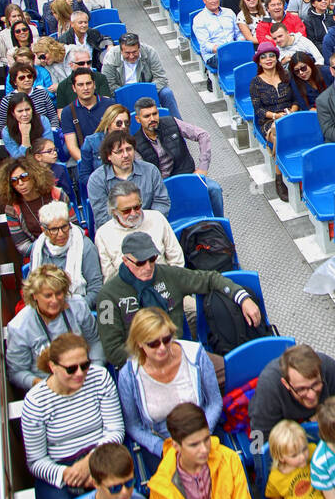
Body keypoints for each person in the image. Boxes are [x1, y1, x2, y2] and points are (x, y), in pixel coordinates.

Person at [97, 231, 262, 367]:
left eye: (152, 259)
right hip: (140, 364)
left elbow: (210, 279)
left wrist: (243, 298)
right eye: (140, 263)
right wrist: (152, 355)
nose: (148, 267)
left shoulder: (167, 274)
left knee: (232, 369)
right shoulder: (108, 296)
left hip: (179, 352)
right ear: (126, 261)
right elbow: (112, 350)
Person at [21, 331, 124, 499]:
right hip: (60, 468)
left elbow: (115, 430)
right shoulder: (36, 402)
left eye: (85, 365)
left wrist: (91, 461)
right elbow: (36, 460)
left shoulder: (99, 378)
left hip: (102, 454)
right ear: (53, 367)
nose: (80, 373)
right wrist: (66, 475)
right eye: (71, 369)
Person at [118, 309, 221, 468]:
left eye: (167, 340)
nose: (162, 348)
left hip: (201, 435)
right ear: (139, 343)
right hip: (162, 445)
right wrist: (162, 448)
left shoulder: (195, 355)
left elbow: (214, 402)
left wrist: (199, 439)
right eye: (153, 343)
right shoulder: (129, 375)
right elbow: (133, 425)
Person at [5, 264, 104, 391]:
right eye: (48, 295)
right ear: (34, 295)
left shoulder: (79, 305)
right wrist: (44, 385)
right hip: (48, 386)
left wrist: (92, 372)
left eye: (59, 293)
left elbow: (95, 341)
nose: (55, 300)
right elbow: (17, 372)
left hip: (84, 376)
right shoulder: (19, 327)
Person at [133, 98, 224, 218]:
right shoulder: (135, 144)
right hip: (163, 187)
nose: (152, 119)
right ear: (138, 119)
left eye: (155, 114)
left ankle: (219, 224)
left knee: (214, 189)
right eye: (147, 116)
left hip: (187, 175)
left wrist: (202, 167)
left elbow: (203, 135)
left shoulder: (171, 122)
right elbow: (145, 174)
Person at [248, 343, 335, 447]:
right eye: (301, 389)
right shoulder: (269, 388)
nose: (312, 395)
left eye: (316, 384)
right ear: (286, 384)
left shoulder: (327, 366)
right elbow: (260, 438)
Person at [95, 180, 184, 280]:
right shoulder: (103, 234)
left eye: (137, 207)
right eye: (126, 211)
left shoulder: (157, 218)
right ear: (114, 211)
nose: (133, 213)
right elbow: (109, 277)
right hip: (128, 290)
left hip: (165, 280)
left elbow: (176, 257)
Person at [87, 130, 170, 230]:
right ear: (109, 156)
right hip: (116, 231)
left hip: (149, 226)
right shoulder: (96, 180)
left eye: (129, 149)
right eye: (119, 152)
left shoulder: (150, 171)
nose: (126, 155)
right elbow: (102, 217)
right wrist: (129, 227)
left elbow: (162, 203)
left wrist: (144, 224)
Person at [29, 201, 104, 308]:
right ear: (44, 230)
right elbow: (32, 287)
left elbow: (96, 289)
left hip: (77, 308)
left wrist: (72, 310)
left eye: (64, 227)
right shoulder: (38, 248)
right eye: (54, 229)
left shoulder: (85, 246)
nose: (61, 234)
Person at [0, 153, 71, 258]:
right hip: (39, 254)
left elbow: (73, 225)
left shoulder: (57, 194)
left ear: (34, 175)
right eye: (14, 181)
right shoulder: (12, 208)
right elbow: (22, 245)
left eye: (24, 177)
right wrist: (46, 249)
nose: (20, 183)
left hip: (68, 246)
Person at [101, 33, 181, 119]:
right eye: (127, 53)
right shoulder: (110, 58)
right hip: (123, 94)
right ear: (121, 50)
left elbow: (161, 78)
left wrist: (144, 92)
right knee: (108, 102)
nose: (131, 56)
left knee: (166, 93)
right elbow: (109, 85)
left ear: (139, 48)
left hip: (148, 92)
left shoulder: (149, 52)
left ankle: (178, 125)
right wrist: (130, 94)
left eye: (134, 52)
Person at [192, 0, 242, 88]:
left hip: (233, 49)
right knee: (234, 60)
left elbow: (238, 34)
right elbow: (206, 45)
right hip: (214, 55)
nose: (214, 1)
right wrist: (225, 49)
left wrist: (239, 45)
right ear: (204, 1)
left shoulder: (229, 13)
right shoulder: (199, 19)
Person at [59, 68, 112, 164]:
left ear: (94, 85)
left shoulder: (110, 105)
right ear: (74, 88)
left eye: (88, 83)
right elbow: (72, 147)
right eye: (80, 85)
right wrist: (86, 164)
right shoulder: (68, 112)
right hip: (85, 157)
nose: (85, 88)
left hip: (110, 155)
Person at [77, 104, 132, 194]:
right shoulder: (91, 142)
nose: (123, 127)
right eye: (119, 123)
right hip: (104, 190)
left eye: (126, 123)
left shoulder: (130, 142)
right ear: (108, 123)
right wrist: (103, 186)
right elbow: (84, 176)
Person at [0, 60, 58, 131]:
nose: (27, 80)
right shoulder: (7, 100)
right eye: (22, 78)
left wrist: (53, 130)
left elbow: (53, 116)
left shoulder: (42, 93)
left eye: (29, 76)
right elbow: (3, 126)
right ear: (14, 81)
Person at [57, 9, 108, 75]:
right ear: (72, 24)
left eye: (85, 22)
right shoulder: (64, 39)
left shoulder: (93, 33)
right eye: (80, 23)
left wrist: (109, 45)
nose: (83, 25)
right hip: (75, 73)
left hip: (95, 69)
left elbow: (104, 39)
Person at [1, 91, 52, 157]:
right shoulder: (7, 132)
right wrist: (25, 136)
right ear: (13, 113)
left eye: (27, 109)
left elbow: (49, 149)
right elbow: (19, 158)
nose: (25, 114)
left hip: (45, 161)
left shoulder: (43, 120)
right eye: (20, 111)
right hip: (22, 165)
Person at [31, 134, 77, 206]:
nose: (55, 153)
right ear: (38, 157)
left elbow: (67, 192)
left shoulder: (60, 169)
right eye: (49, 151)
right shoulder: (31, 172)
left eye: (55, 150)